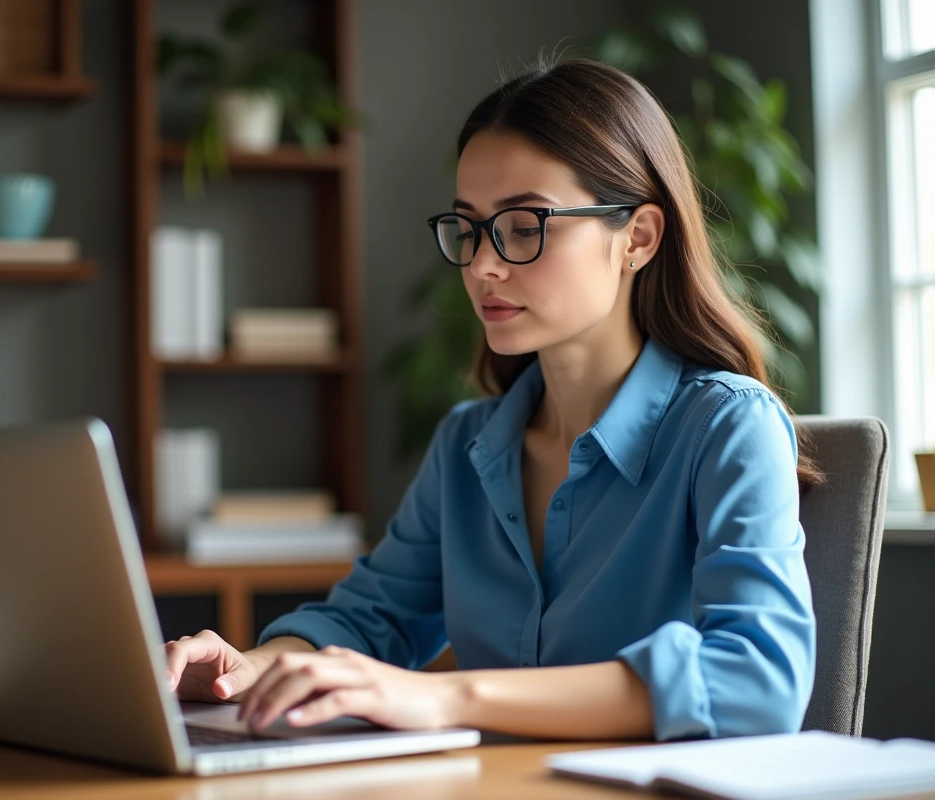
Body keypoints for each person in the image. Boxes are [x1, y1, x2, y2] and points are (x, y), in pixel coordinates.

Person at [163, 57, 819, 742]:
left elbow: (757, 683)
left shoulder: (727, 426)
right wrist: (251, 669)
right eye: (469, 227)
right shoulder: (467, 445)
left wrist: (451, 698)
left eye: (526, 224)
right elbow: (370, 620)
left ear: (639, 237)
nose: (481, 265)